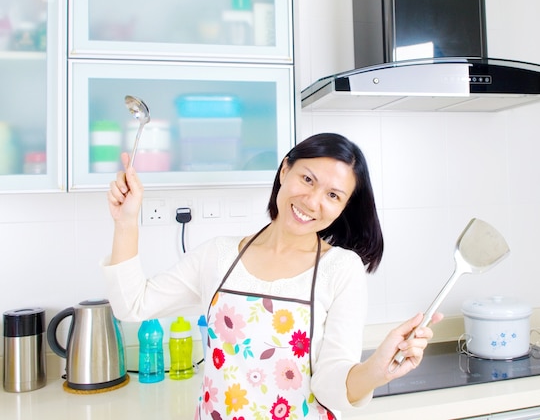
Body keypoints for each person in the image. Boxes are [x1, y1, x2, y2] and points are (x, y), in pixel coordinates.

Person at [102, 132, 442, 419]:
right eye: (307, 179)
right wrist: (126, 222)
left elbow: (330, 383)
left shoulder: (341, 269)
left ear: (342, 208)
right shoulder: (218, 256)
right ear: (285, 170)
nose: (312, 201)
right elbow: (133, 305)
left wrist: (375, 371)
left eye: (333, 195)